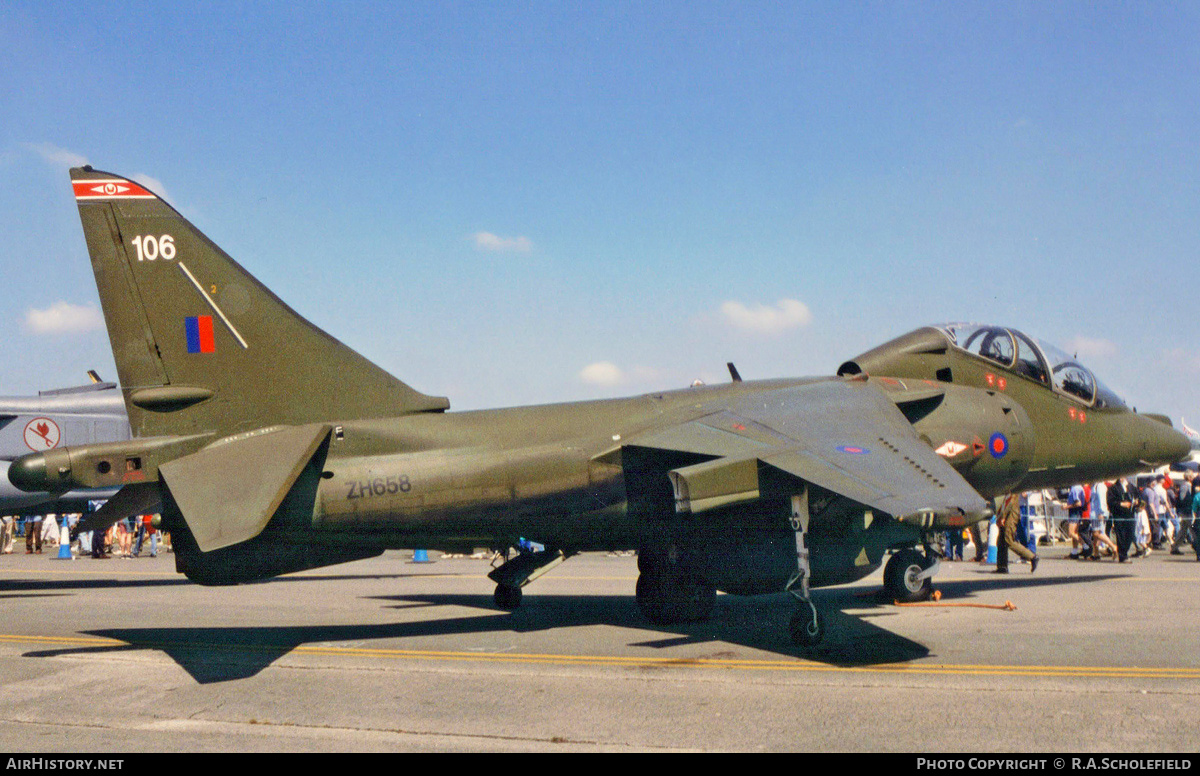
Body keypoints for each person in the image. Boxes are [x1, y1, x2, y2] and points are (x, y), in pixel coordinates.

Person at [995, 492, 1038, 573]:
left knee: (1009, 540)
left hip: (1011, 515)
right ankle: (1002, 567)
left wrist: (1003, 517)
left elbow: (1009, 502)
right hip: (1007, 513)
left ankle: (1032, 557)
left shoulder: (1011, 487)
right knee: (1001, 540)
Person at [1108, 477, 1138, 562]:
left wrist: (1137, 502)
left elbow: (1138, 496)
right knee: (1121, 535)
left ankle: (1124, 552)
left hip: (1130, 514)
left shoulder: (1131, 487)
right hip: (1119, 515)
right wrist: (1121, 504)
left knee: (1130, 533)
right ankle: (1122, 555)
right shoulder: (1113, 488)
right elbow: (1110, 502)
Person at [1088, 481, 1118, 560]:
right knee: (1096, 535)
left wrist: (1102, 512)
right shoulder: (1095, 486)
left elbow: (1102, 500)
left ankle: (1113, 546)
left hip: (1098, 513)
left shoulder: (1100, 486)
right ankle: (1096, 553)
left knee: (1097, 533)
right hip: (1095, 513)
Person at [1172, 473, 1194, 556]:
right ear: (1189, 477)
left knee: (1183, 531)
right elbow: (1182, 498)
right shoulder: (1186, 486)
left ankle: (1175, 547)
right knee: (1193, 529)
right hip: (1186, 512)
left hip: (1185, 511)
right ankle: (1196, 547)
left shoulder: (1186, 485)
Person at [1066, 483, 1086, 558]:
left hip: (1075, 512)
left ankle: (1085, 546)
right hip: (1076, 512)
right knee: (1075, 533)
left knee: (1071, 533)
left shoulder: (1075, 488)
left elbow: (1078, 503)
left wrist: (1066, 507)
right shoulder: (1078, 487)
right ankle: (1074, 552)